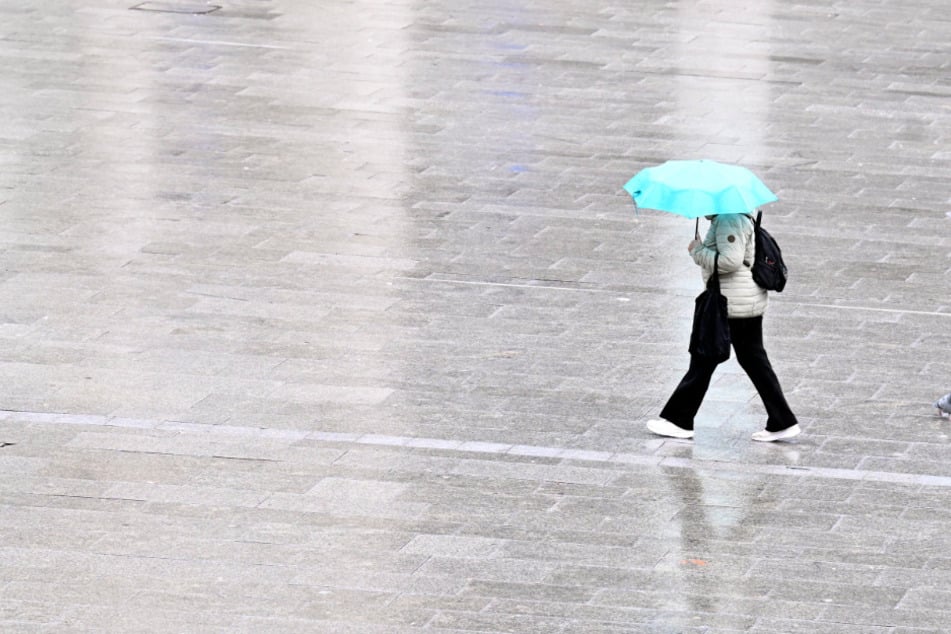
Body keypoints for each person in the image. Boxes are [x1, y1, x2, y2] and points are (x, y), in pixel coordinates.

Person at [646, 212, 801, 442]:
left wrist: (698, 251)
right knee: (753, 361)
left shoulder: (729, 220)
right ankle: (782, 420)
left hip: (732, 304)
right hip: (744, 301)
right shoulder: (734, 216)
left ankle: (680, 420)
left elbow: (731, 261)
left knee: (704, 358)